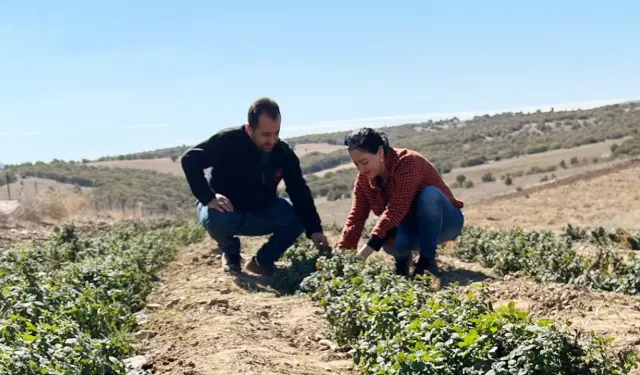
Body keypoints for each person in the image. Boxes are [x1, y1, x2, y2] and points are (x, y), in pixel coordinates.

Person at [180, 97, 330, 276]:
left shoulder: (283, 154)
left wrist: (314, 229)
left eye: (276, 133)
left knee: (299, 216)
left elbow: (299, 190)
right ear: (250, 129)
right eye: (265, 135)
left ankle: (262, 261)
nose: (272, 140)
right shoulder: (228, 141)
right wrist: (209, 197)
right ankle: (231, 254)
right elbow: (189, 160)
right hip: (227, 210)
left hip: (262, 211)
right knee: (217, 218)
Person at [335, 127, 464, 280]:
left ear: (380, 152)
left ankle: (426, 261)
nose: (361, 169)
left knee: (430, 195)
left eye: (364, 162)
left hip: (446, 222)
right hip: (413, 229)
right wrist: (343, 255)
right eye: (356, 164)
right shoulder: (363, 180)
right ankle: (402, 261)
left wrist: (364, 253)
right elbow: (356, 218)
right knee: (391, 236)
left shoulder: (408, 162)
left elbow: (396, 209)